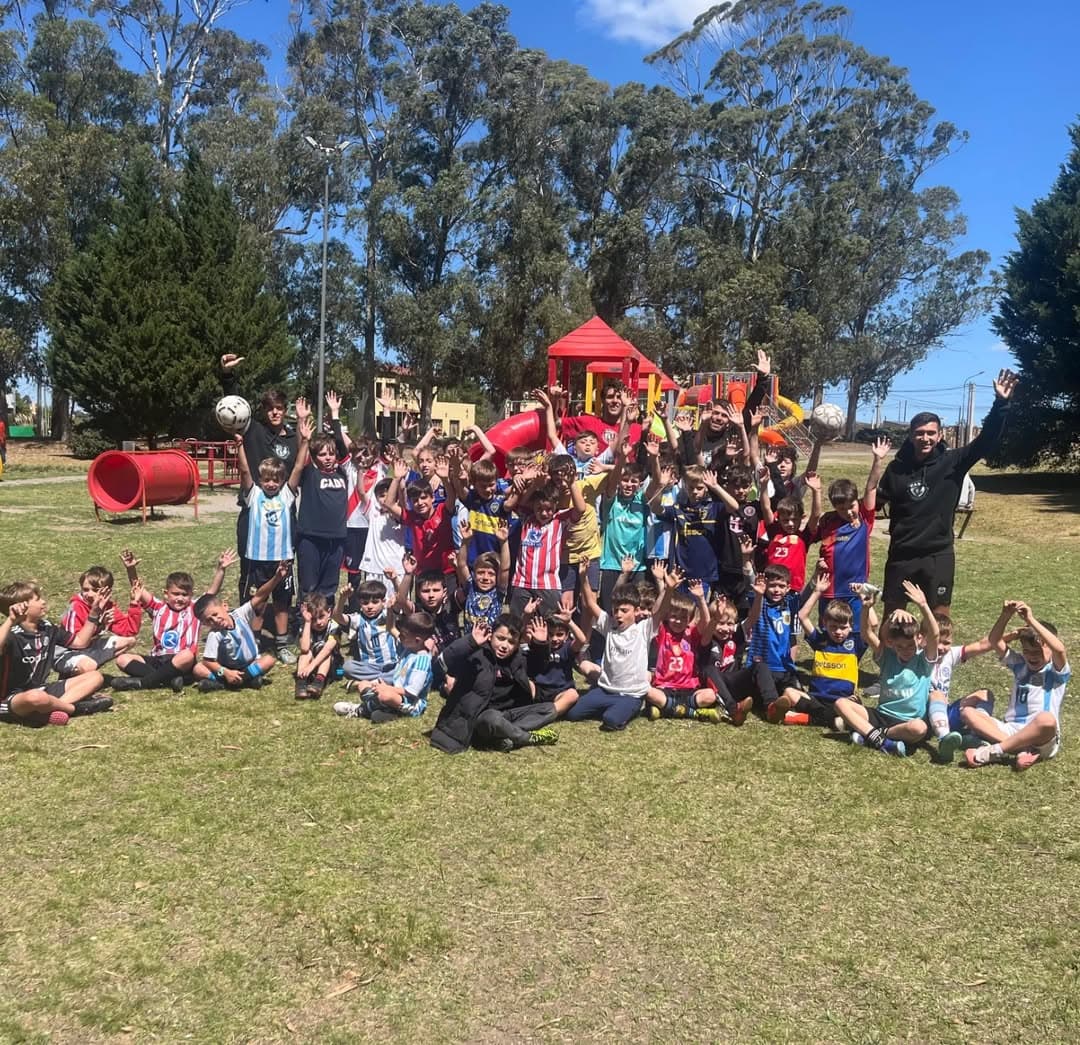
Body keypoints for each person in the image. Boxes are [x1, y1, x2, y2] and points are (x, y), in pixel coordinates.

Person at [877, 369, 1018, 615]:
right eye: (919, 433)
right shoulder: (896, 468)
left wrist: (1001, 403)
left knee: (940, 621)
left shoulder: (953, 462)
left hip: (937, 554)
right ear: (910, 436)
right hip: (902, 554)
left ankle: (935, 656)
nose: (925, 438)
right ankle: (889, 655)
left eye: (931, 433)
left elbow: (986, 440)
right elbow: (874, 504)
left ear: (939, 435)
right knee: (893, 620)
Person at [220, 354, 299, 603]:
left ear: (285, 411)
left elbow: (300, 470)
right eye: (269, 409)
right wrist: (228, 376)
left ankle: (281, 615)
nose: (274, 413)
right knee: (249, 564)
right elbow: (233, 408)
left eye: (279, 408)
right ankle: (248, 612)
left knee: (283, 566)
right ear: (264, 411)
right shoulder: (254, 430)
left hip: (283, 513)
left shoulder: (294, 439)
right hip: (253, 510)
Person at [961, 601, 1069, 771]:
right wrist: (1006, 615)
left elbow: (1060, 650)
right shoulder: (1020, 665)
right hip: (1010, 730)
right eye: (1027, 651)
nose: (1031, 656)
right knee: (968, 713)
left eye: (1037, 652)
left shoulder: (1055, 673)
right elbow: (994, 640)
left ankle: (994, 751)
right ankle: (1020, 748)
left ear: (1049, 648)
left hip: (1041, 737)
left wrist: (1031, 620)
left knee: (1047, 719)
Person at [233, 421, 309, 665]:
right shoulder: (253, 494)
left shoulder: (287, 494)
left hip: (282, 559)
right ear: (261, 479)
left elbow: (298, 467)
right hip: (257, 560)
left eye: (276, 480)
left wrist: (305, 441)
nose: (271, 484)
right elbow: (244, 472)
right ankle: (254, 641)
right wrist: (239, 447)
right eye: (267, 479)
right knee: (258, 603)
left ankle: (281, 643)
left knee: (282, 603)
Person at [833, 582, 937, 756]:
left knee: (919, 728)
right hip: (881, 716)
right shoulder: (887, 656)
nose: (905, 650)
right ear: (891, 644)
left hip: (907, 722)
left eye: (910, 645)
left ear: (919, 640)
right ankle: (879, 739)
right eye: (900, 646)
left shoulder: (923, 661)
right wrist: (866, 608)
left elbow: (934, 634)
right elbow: (866, 634)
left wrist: (923, 605)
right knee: (840, 703)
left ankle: (870, 734)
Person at [430, 615, 559, 753]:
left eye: (511, 642)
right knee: (492, 718)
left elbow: (537, 667)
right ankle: (525, 738)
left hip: (507, 715)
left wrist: (540, 644)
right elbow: (440, 665)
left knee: (549, 709)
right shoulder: (476, 656)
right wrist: (470, 642)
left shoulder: (518, 659)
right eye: (500, 638)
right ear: (491, 636)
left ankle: (502, 736)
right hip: (480, 719)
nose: (504, 646)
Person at [112, 551, 237, 691]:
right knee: (122, 659)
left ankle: (143, 683)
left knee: (187, 655)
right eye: (176, 594)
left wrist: (221, 569)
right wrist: (131, 569)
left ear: (191, 595)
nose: (180, 598)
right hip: (158, 659)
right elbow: (138, 589)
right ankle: (168, 679)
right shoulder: (157, 608)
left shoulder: (194, 609)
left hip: (182, 661)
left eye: (185, 595)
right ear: (166, 594)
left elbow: (212, 592)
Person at [0, 581, 114, 724]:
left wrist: (94, 613)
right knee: (35, 698)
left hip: (42, 690)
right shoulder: (9, 633)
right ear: (23, 606)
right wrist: (11, 620)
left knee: (95, 677)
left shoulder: (47, 627)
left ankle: (49, 710)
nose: (43, 601)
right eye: (37, 599)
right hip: (12, 698)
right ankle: (73, 709)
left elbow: (80, 642)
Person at [809, 437, 889, 632]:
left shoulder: (864, 519)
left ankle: (852, 661)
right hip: (829, 590)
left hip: (855, 590)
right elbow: (811, 529)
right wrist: (816, 493)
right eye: (842, 508)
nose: (849, 511)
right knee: (830, 630)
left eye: (851, 505)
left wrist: (877, 459)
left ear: (857, 502)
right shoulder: (828, 522)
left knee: (857, 631)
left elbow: (871, 487)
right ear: (835, 507)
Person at [570, 573, 658, 732]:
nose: (618, 614)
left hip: (630, 694)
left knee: (610, 721)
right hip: (606, 690)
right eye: (616, 610)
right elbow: (590, 603)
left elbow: (660, 612)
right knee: (573, 713)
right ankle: (609, 706)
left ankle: (630, 707)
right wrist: (583, 576)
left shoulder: (644, 630)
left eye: (624, 610)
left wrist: (668, 588)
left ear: (636, 611)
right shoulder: (609, 625)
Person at [782, 567, 869, 727]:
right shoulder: (821, 641)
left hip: (843, 701)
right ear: (825, 624)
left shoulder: (855, 644)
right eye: (833, 626)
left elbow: (872, 625)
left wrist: (865, 604)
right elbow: (802, 616)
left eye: (843, 627)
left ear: (851, 627)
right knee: (789, 692)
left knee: (851, 708)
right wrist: (817, 591)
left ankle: (809, 718)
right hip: (816, 698)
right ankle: (831, 721)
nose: (838, 631)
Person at [194, 561, 290, 692]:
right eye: (209, 620)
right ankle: (241, 680)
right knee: (198, 669)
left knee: (269, 660)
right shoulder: (214, 634)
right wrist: (226, 672)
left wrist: (277, 577)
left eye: (215, 614)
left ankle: (231, 681)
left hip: (249, 665)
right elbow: (208, 661)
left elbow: (260, 595)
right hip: (226, 668)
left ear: (224, 606)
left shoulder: (240, 614)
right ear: (205, 624)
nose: (215, 620)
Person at [332, 611, 436, 722]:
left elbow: (411, 692)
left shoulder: (422, 662)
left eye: (403, 635)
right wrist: (390, 609)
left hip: (412, 703)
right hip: (395, 691)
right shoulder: (409, 647)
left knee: (385, 695)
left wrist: (387, 688)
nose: (399, 636)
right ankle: (389, 712)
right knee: (363, 684)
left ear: (417, 641)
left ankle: (361, 709)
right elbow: (391, 628)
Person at [644, 573, 720, 722]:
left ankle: (667, 709)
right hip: (664, 687)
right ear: (667, 616)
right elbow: (656, 613)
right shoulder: (662, 631)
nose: (678, 621)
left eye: (683, 618)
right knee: (647, 691)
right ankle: (693, 713)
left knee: (710, 695)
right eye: (674, 616)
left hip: (689, 689)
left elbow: (706, 623)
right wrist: (668, 589)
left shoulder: (691, 633)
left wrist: (700, 599)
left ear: (689, 619)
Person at [57, 554, 143, 674]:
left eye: (96, 590)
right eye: (85, 589)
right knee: (88, 666)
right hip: (68, 652)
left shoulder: (107, 606)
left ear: (107, 590)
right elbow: (74, 643)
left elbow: (129, 630)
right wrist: (98, 624)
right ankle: (74, 673)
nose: (90, 594)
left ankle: (91, 665)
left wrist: (134, 603)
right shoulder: (76, 606)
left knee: (129, 640)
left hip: (89, 647)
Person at [742, 565, 803, 721]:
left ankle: (824, 714)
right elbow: (751, 579)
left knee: (798, 698)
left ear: (788, 587)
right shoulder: (760, 603)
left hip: (784, 669)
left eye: (781, 586)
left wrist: (816, 585)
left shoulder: (789, 605)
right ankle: (771, 708)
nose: (777, 590)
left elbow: (807, 596)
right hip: (763, 669)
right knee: (768, 689)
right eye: (772, 586)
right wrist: (746, 560)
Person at [334, 579, 398, 687]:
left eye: (375, 602)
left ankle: (371, 682)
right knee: (346, 667)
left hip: (391, 664)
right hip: (369, 667)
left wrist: (394, 580)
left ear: (383, 602)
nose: (370, 606)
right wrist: (342, 598)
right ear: (360, 603)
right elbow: (337, 617)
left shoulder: (387, 615)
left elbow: (400, 601)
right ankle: (384, 680)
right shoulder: (358, 619)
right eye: (365, 603)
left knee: (404, 669)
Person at [525, 611, 587, 717]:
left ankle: (548, 714)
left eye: (559, 634)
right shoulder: (538, 644)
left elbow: (582, 640)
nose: (554, 639)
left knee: (572, 694)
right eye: (550, 634)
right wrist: (527, 615)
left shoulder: (568, 648)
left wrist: (570, 622)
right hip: (539, 689)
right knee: (526, 683)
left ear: (567, 635)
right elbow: (524, 633)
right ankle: (535, 709)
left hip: (560, 691)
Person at [294, 593, 340, 700]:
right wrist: (308, 622)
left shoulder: (334, 627)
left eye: (321, 617)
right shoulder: (306, 626)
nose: (318, 622)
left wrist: (311, 667)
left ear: (329, 612)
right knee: (305, 654)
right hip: (310, 666)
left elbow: (328, 649)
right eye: (314, 619)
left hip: (332, 666)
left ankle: (318, 682)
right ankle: (301, 682)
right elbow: (304, 648)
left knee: (325, 653)